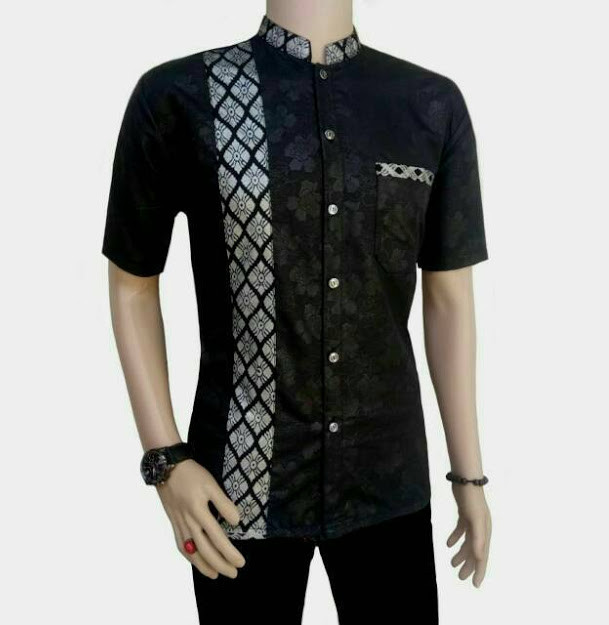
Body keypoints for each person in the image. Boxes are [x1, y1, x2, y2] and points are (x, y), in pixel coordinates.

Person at [101, 1, 492, 623]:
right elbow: (132, 285)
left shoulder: (428, 104)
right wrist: (166, 460)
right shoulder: (180, 95)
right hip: (236, 489)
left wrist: (468, 479)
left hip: (386, 482)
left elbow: (449, 300)